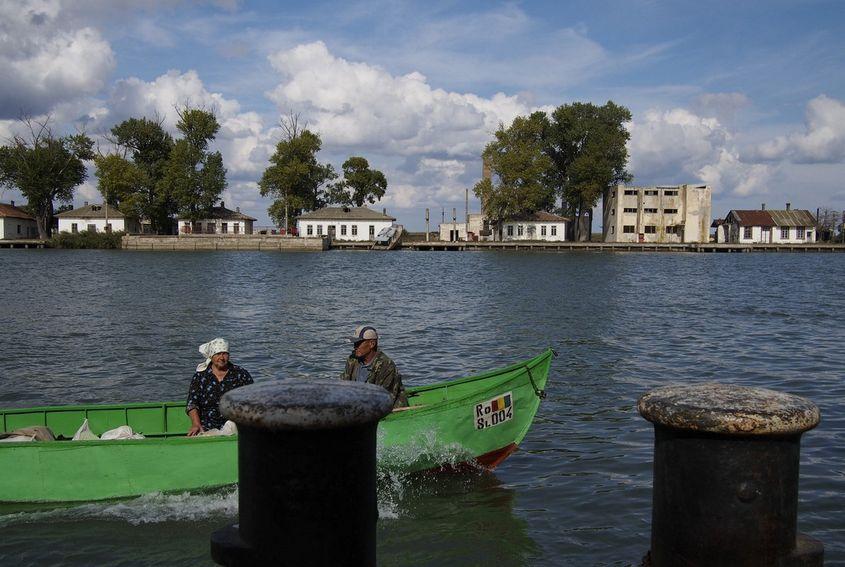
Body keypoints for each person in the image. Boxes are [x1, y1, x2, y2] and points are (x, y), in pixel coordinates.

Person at [186, 338, 253, 436]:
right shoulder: (200, 376)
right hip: (207, 427)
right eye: (218, 354)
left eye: (224, 354)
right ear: (211, 356)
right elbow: (192, 404)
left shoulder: (241, 374)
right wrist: (196, 424)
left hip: (235, 426)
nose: (221, 358)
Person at [340, 325, 408, 408]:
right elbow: (343, 386)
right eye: (354, 343)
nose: (355, 347)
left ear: (372, 344)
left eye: (358, 343)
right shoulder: (352, 360)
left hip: (386, 408)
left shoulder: (386, 365)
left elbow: (382, 398)